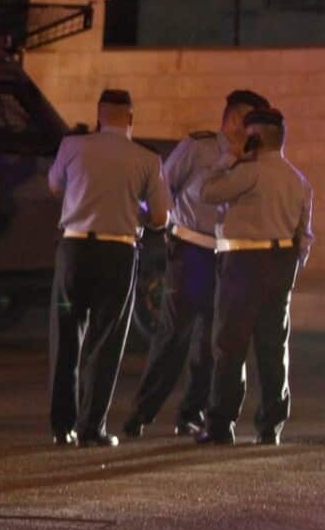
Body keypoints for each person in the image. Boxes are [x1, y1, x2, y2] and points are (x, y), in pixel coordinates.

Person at [124, 90, 270, 439]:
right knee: (173, 335)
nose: (253, 129)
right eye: (249, 120)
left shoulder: (253, 158)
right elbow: (162, 188)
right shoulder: (198, 147)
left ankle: (191, 414)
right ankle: (141, 413)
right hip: (190, 251)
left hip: (228, 255)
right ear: (233, 119)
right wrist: (164, 228)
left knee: (210, 342)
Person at [48, 89, 169, 448]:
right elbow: (160, 217)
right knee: (106, 339)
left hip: (74, 248)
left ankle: (61, 426)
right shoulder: (147, 159)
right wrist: (133, 207)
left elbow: (54, 185)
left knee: (65, 336)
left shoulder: (72, 146)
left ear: (98, 116)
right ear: (130, 118)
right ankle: (91, 427)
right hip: (118, 251)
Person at [197, 108, 313, 445]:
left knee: (230, 345)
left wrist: (229, 159)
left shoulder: (249, 172)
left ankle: (221, 425)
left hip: (242, 264)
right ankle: (270, 427)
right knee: (273, 347)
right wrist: (292, 267)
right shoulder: (298, 180)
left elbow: (207, 191)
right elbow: (305, 235)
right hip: (281, 263)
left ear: (255, 139)